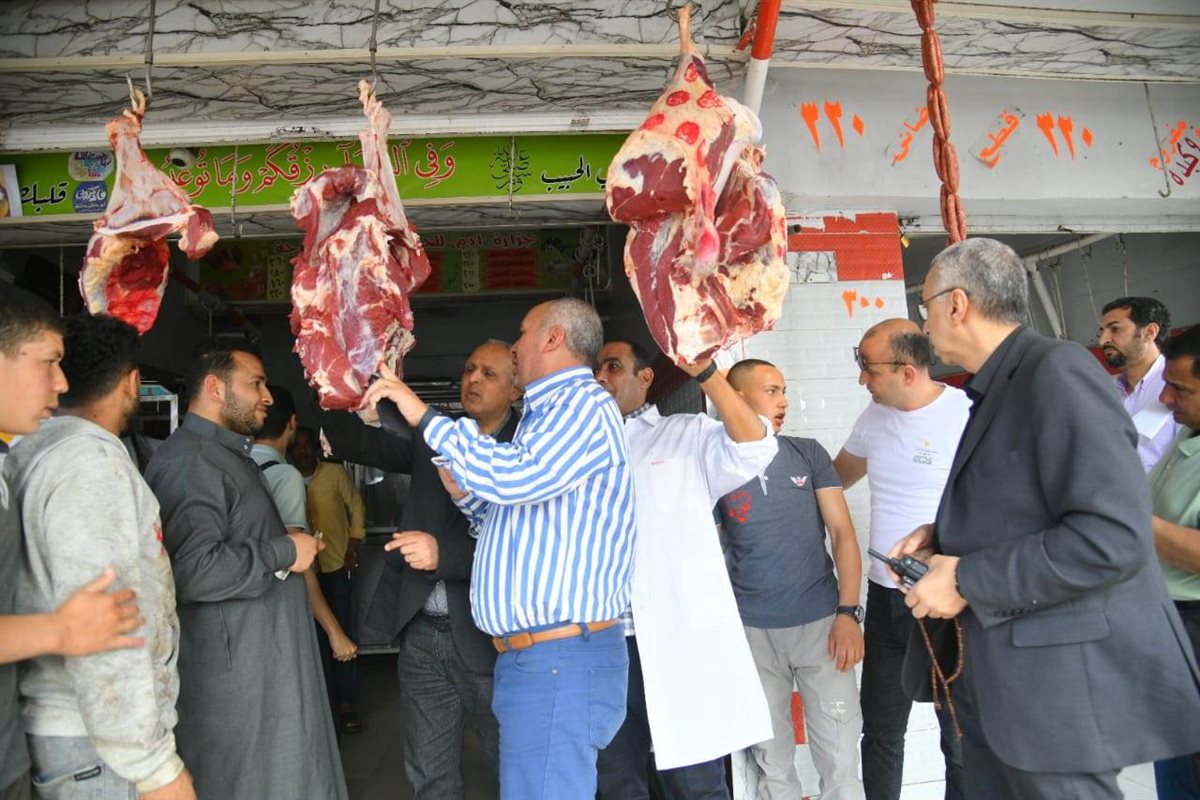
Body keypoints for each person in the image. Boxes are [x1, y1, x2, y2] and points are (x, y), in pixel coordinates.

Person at [891, 237, 1200, 799]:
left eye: (925, 306)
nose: (924, 322)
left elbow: (1112, 536)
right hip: (1008, 687)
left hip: (1055, 693)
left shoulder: (1055, 371)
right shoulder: (1003, 384)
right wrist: (941, 540)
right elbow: (1030, 504)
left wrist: (965, 578)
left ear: (956, 304)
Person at [361, 298, 636, 800]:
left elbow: (519, 478)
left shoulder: (582, 405)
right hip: (537, 658)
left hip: (558, 657)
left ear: (553, 338)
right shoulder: (544, 416)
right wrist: (468, 499)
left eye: (522, 333)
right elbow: (515, 521)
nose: (515, 346)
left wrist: (422, 414)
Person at [144, 342, 347, 799]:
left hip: (263, 670)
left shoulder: (226, 455)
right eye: (255, 384)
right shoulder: (192, 460)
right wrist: (283, 552)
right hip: (235, 685)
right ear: (214, 388)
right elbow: (193, 570)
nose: (268, 397)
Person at [318, 339, 520, 799]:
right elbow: (356, 442)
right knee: (430, 775)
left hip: (492, 639)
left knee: (513, 769)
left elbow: (525, 547)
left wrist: (444, 554)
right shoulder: (437, 436)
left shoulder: (529, 448)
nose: (473, 379)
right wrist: (331, 378)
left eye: (489, 373)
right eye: (469, 369)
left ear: (515, 388)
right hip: (422, 632)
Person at [5, 314, 194, 800]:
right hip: (94, 744)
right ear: (132, 382)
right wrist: (155, 768)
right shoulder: (92, 465)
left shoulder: (30, 451)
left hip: (65, 732)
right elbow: (112, 622)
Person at [593, 339, 776, 800]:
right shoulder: (579, 447)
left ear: (645, 378)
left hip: (677, 639)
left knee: (696, 784)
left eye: (613, 367)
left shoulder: (685, 433)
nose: (600, 377)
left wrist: (707, 373)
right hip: (604, 641)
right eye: (596, 369)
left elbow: (754, 447)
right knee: (615, 782)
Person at [0, 289, 144, 800]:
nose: (61, 384)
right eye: (48, 362)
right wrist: (59, 629)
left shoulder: (13, 459)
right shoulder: (88, 462)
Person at [716, 359, 865, 800]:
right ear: (736, 398)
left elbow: (842, 533)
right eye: (771, 391)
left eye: (783, 390)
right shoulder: (715, 463)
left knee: (840, 757)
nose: (783, 401)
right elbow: (708, 548)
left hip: (822, 625)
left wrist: (848, 613)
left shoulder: (808, 453)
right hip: (751, 630)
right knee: (772, 762)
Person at [832, 319, 968, 800]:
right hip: (885, 599)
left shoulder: (965, 414)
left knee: (958, 734)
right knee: (882, 730)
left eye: (869, 368)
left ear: (907, 371)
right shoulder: (873, 417)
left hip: (945, 601)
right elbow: (836, 479)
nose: (862, 379)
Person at [251, 391, 357, 723]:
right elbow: (296, 557)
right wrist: (334, 631)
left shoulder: (237, 464)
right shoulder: (286, 476)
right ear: (292, 423)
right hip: (287, 599)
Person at [1149, 325, 1200, 800]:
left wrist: (1132, 519)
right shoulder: (1188, 435)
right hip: (1170, 625)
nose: (1166, 398)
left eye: (1181, 389)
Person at [288, 425, 365, 732]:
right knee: (312, 640)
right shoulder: (283, 477)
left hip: (334, 566)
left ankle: (347, 705)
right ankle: (324, 706)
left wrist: (353, 546)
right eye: (298, 446)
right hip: (299, 573)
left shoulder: (334, 474)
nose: (303, 451)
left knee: (341, 632)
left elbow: (356, 508)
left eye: (308, 445)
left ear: (317, 448)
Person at [1098, 296, 1181, 471]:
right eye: (1102, 332)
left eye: (1115, 329)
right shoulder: (1104, 395)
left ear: (1150, 332)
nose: (1103, 340)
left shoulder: (1183, 386)